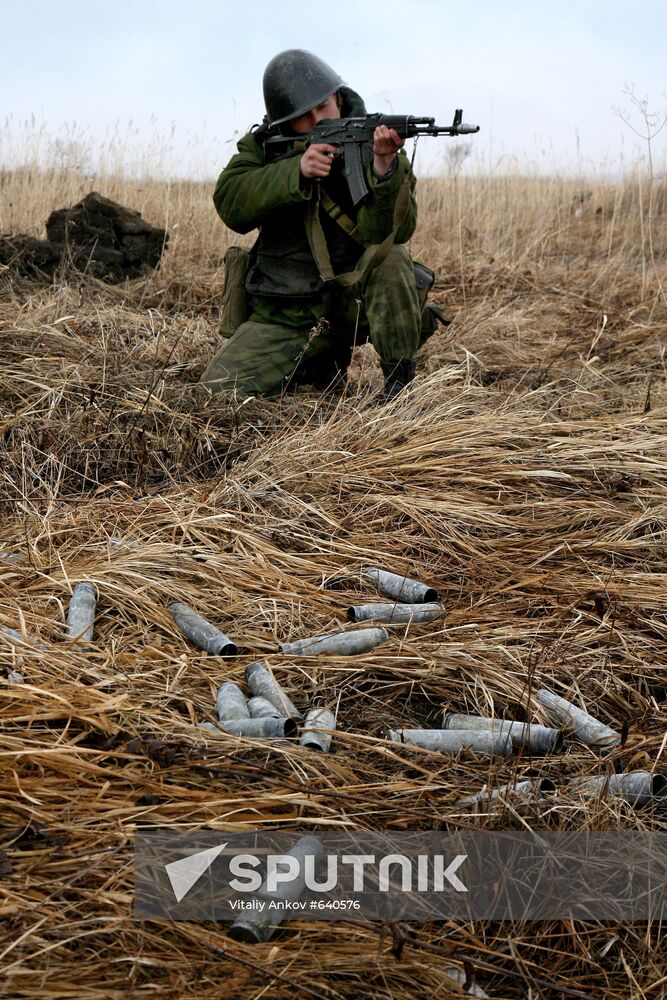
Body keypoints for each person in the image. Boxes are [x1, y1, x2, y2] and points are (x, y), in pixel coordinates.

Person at [201, 49, 438, 400]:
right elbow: (231, 202)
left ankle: (399, 388)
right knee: (217, 391)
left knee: (391, 259)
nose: (316, 120)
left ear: (338, 98)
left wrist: (384, 169)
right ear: (284, 122)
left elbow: (391, 234)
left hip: (350, 304)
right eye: (303, 116)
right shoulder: (264, 147)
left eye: (323, 106)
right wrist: (295, 171)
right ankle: (314, 365)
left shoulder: (374, 141)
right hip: (286, 310)